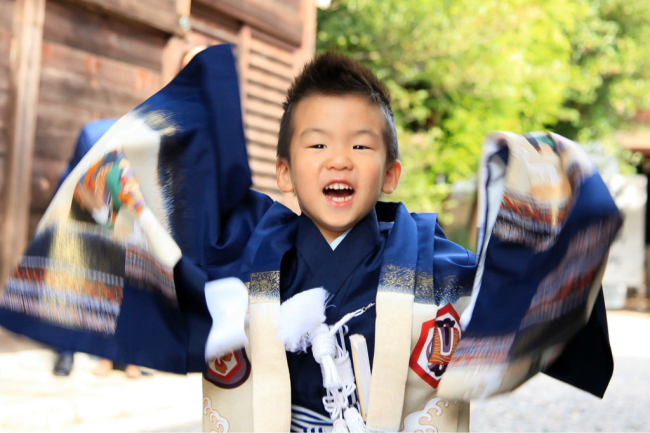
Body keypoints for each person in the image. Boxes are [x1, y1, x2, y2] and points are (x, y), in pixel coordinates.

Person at [0, 45, 619, 432]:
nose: (339, 160)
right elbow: (113, 157)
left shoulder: (442, 272)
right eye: (317, 144)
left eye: (361, 145)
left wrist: (529, 174)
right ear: (286, 173)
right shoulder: (235, 255)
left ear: (391, 173)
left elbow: (539, 269)